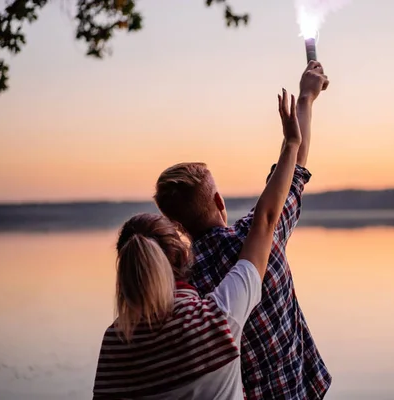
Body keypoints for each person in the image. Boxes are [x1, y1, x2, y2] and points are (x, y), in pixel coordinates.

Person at [92, 89, 303, 399]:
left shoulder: (114, 342)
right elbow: (266, 220)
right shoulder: (215, 318)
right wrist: (293, 141)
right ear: (180, 253)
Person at [153, 62, 331, 399]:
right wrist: (306, 99)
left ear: (176, 226)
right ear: (219, 201)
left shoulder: (182, 287)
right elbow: (293, 171)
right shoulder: (262, 238)